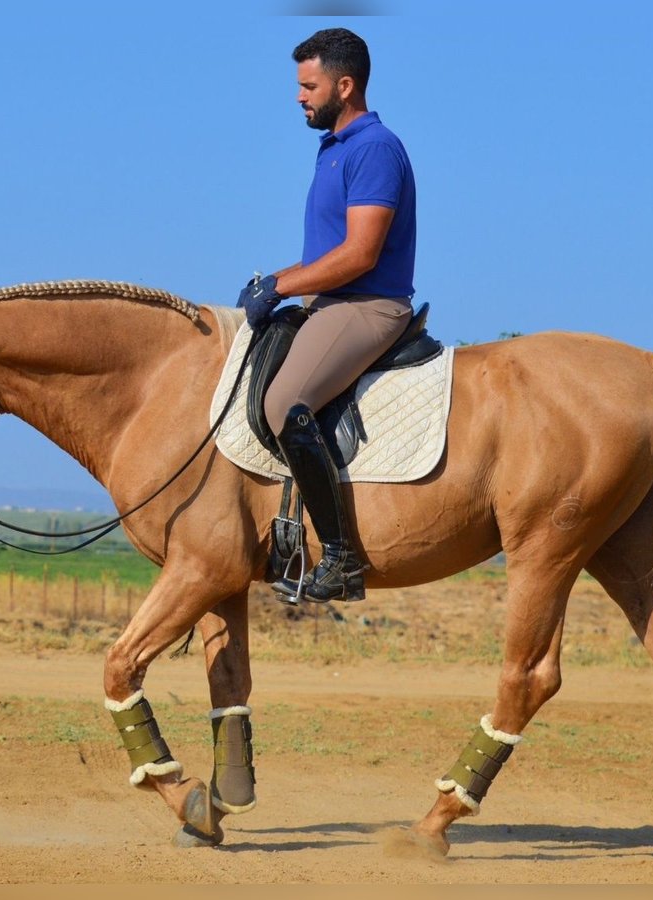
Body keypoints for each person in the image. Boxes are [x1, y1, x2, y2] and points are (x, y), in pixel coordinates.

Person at [236, 27, 417, 603]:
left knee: (283, 404)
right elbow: (325, 256)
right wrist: (277, 280)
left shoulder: (374, 148)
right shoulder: (334, 149)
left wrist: (282, 285)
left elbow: (360, 255)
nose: (299, 96)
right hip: (330, 301)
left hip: (368, 306)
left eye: (308, 86)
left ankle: (340, 559)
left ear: (345, 85)